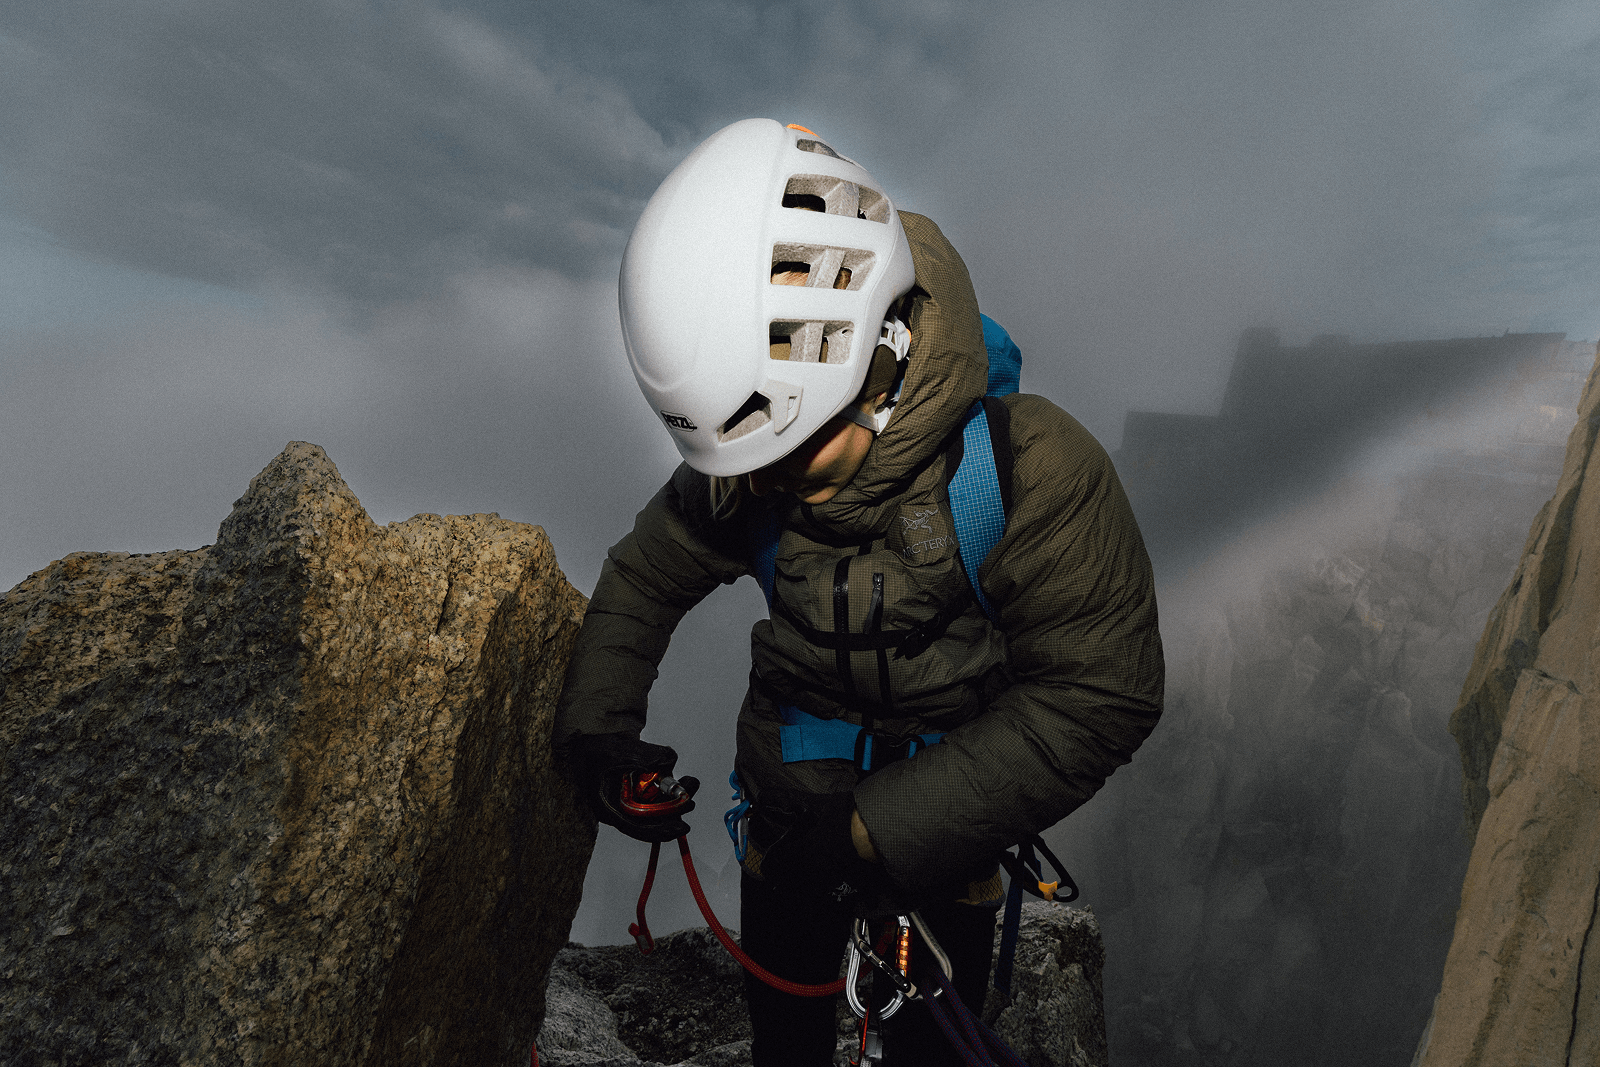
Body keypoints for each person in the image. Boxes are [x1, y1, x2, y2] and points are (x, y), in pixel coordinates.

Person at [554, 118, 1164, 1067]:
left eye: (791, 452)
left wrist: (872, 833)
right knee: (787, 1046)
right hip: (787, 828)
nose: (763, 482)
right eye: (743, 459)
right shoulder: (758, 437)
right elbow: (649, 572)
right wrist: (599, 732)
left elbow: (1101, 693)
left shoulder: (1027, 469)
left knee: (934, 1050)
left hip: (942, 842)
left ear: (877, 355)